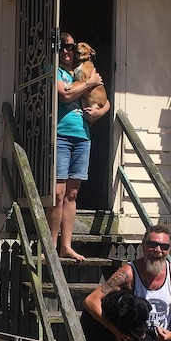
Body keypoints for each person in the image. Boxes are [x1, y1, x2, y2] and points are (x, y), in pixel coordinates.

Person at [46, 32, 111, 261]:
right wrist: (90, 83)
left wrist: (100, 112)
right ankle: (51, 246)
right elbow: (64, 94)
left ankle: (66, 246)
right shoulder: (54, 70)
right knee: (57, 192)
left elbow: (107, 101)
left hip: (83, 136)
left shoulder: (86, 70)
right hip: (61, 134)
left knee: (72, 194)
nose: (67, 51)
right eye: (63, 47)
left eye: (71, 48)